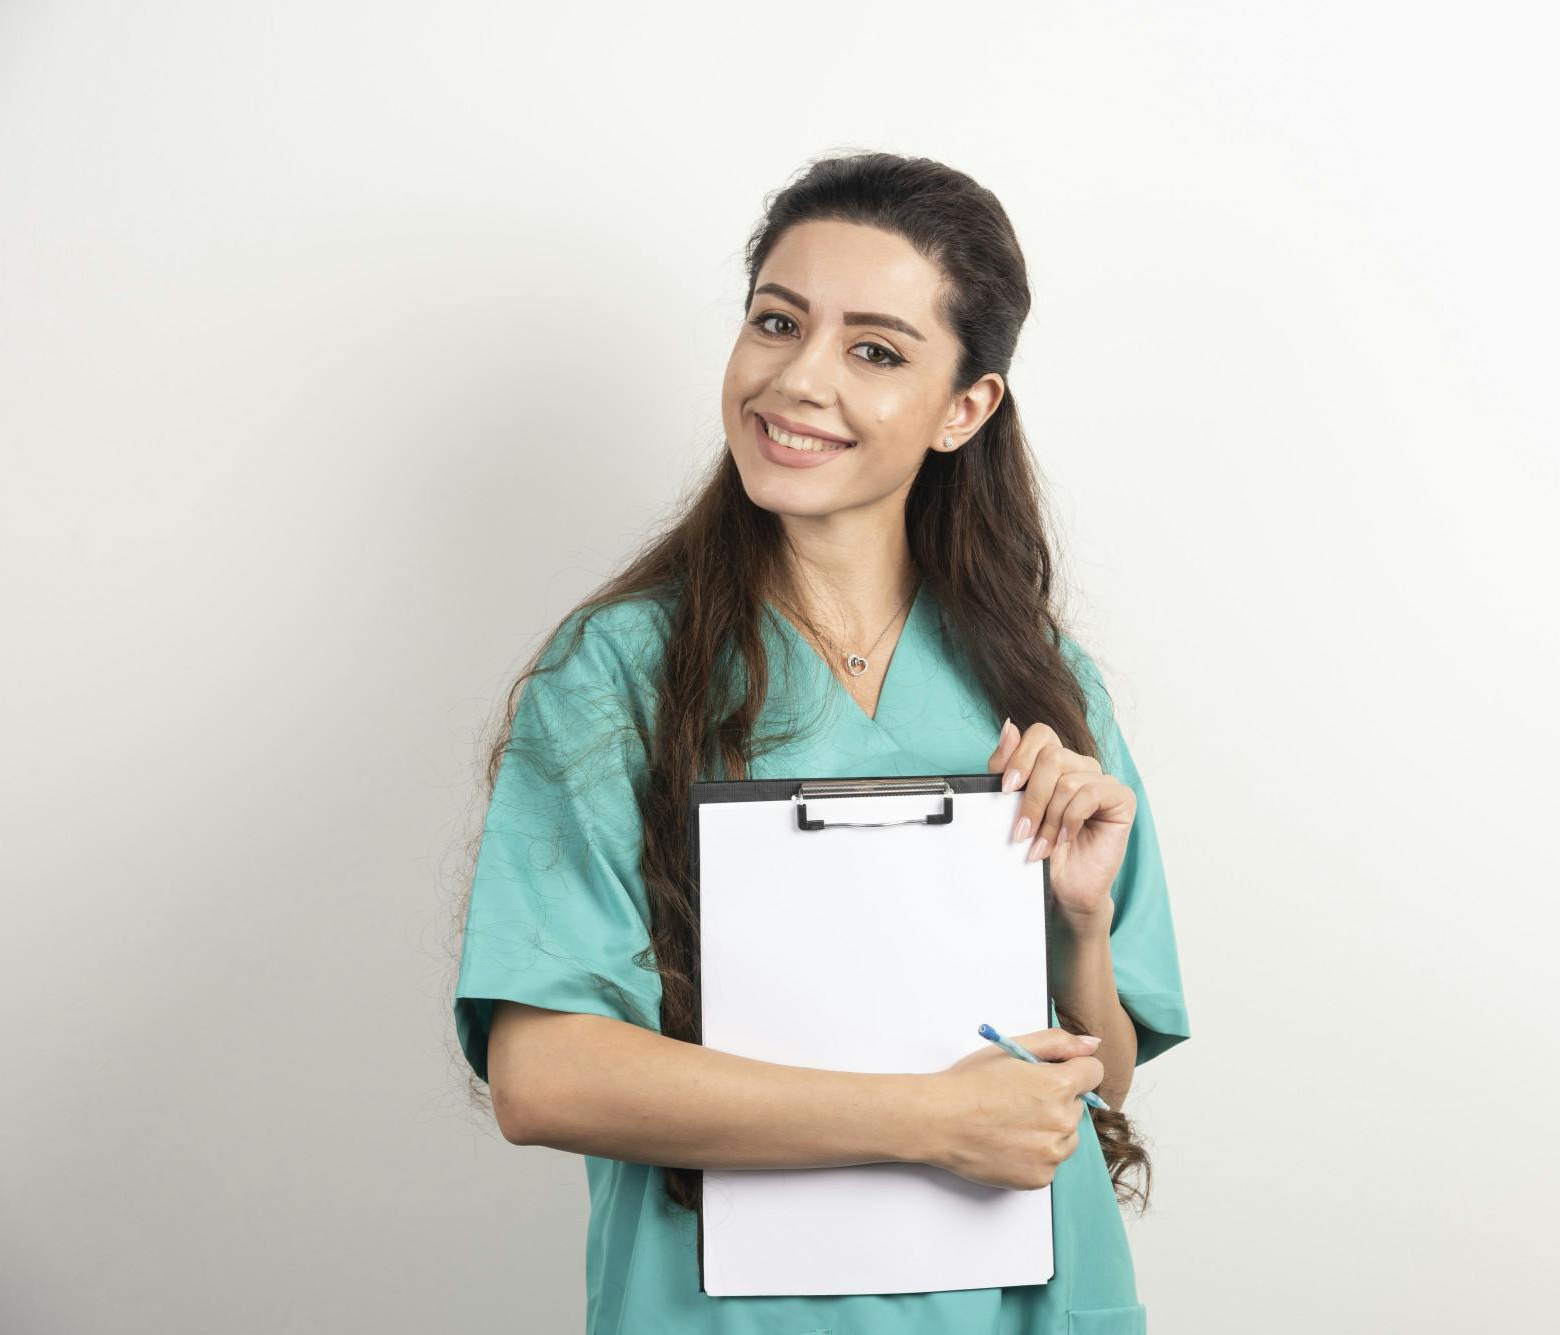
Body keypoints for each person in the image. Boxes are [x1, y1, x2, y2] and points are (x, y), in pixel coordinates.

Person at [451, 151, 1191, 1335]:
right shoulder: (619, 676)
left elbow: (1092, 1073)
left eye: (874, 350)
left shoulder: (1045, 684)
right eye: (775, 323)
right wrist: (926, 1119)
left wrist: (1084, 922)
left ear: (965, 408)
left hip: (1035, 1307)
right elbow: (543, 1078)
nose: (795, 380)